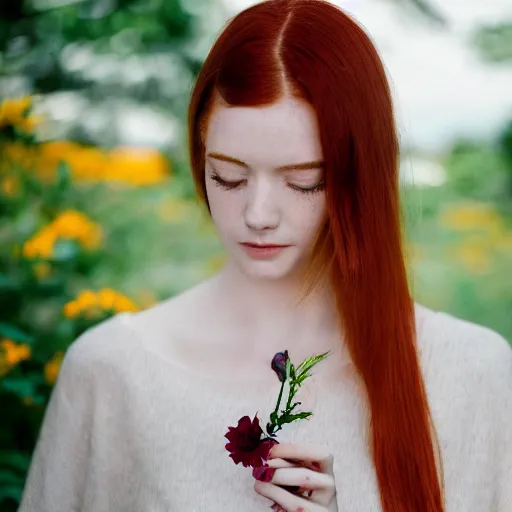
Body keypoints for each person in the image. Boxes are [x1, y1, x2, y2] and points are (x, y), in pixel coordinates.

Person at [18, 0, 512, 511]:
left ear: (358, 178)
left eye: (303, 182)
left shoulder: (471, 375)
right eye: (228, 176)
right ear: (198, 156)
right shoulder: (112, 373)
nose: (258, 214)